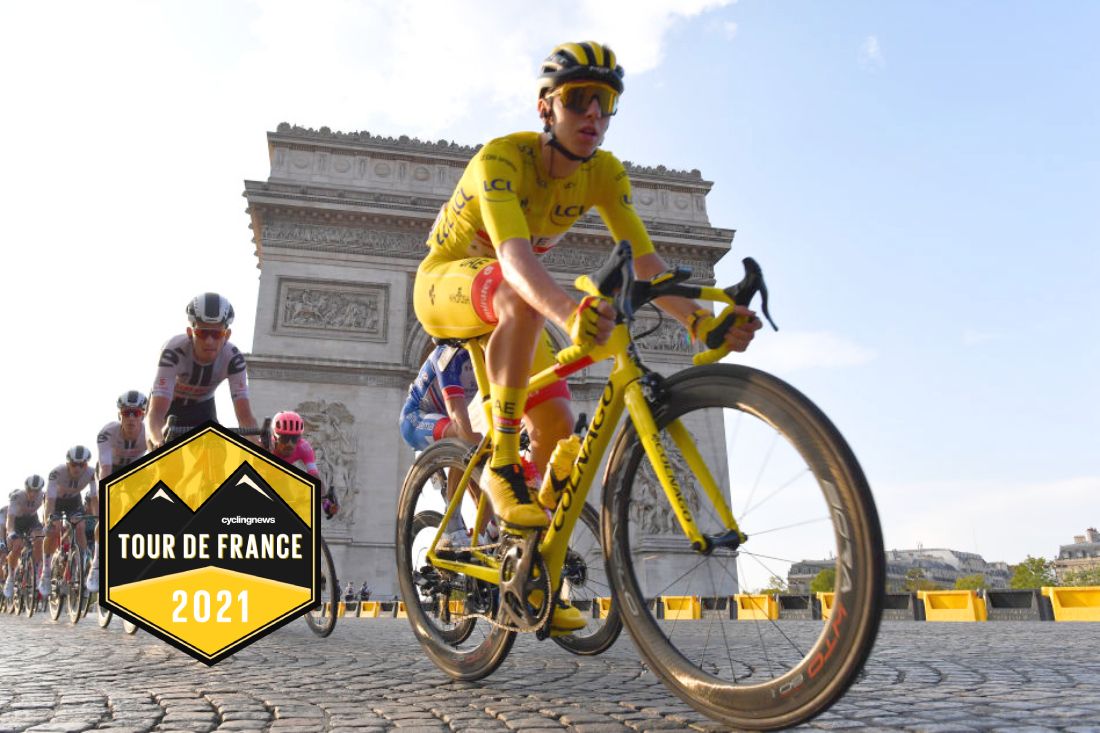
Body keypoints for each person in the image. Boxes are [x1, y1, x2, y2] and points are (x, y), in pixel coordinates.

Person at [411, 41, 761, 630]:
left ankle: (528, 573)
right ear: (546, 107)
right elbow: (518, 260)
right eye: (578, 100)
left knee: (556, 429)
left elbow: (647, 262)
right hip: (445, 284)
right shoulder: (500, 160)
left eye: (605, 102)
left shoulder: (604, 172)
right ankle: (498, 461)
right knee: (520, 294)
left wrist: (700, 320)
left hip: (510, 296)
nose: (593, 115)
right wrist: (570, 312)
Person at [146, 293, 258, 447]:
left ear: (227, 335)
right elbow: (157, 412)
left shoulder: (233, 359)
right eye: (202, 333)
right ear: (190, 332)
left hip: (202, 408)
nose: (209, 341)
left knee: (218, 454)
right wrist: (158, 441)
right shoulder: (173, 351)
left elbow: (245, 417)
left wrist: (258, 445)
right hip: (169, 406)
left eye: (217, 334)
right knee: (164, 456)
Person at [87, 390, 150, 592]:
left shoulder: (149, 434)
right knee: (105, 517)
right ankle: (96, 563)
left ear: (144, 414)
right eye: (126, 412)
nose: (131, 417)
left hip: (132, 468)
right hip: (110, 468)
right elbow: (105, 469)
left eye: (136, 413)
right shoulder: (107, 433)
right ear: (119, 414)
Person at [42, 446, 95, 597]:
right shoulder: (57, 473)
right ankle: (46, 571)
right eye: (74, 464)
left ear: (86, 464)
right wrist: (48, 521)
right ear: (67, 464)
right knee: (55, 527)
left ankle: (82, 566)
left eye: (81, 464)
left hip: (74, 502)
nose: (78, 468)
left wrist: (98, 517)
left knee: (81, 526)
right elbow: (50, 501)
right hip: (56, 502)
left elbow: (95, 498)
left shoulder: (91, 473)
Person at [268, 411, 339, 519]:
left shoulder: (304, 447)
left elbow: (314, 477)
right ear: (275, 437)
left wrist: (326, 504)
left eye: (295, 439)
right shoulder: (265, 446)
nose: (290, 444)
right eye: (285, 438)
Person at [4, 476, 47, 599]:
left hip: (31, 521)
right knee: (17, 546)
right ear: (26, 488)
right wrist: (11, 533)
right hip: (17, 522)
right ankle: (11, 577)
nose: (33, 494)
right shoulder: (17, 497)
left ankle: (38, 572)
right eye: (30, 490)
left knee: (40, 538)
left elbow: (46, 511)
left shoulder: (43, 495)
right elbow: (10, 519)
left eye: (36, 491)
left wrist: (45, 524)